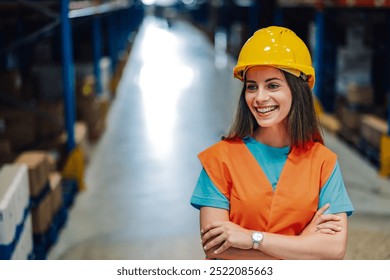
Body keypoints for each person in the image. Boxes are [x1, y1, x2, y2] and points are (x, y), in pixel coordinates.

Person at [190, 26, 354, 260]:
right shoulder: (219, 160)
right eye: (251, 87)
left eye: (273, 85)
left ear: (297, 90)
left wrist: (252, 240)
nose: (259, 98)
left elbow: (334, 250)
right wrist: (303, 245)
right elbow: (216, 248)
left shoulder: (323, 163)